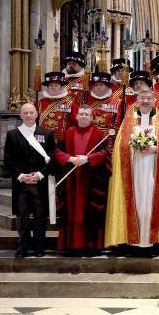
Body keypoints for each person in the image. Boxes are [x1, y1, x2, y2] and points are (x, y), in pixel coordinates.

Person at [105, 86, 159, 253]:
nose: (145, 101)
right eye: (142, 98)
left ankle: (155, 242)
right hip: (134, 168)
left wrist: (156, 149)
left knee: (151, 201)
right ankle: (131, 241)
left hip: (154, 168)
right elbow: (120, 145)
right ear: (137, 100)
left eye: (148, 98)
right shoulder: (129, 119)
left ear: (154, 100)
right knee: (135, 201)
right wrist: (133, 147)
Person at [54, 105, 111, 253]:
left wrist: (88, 158)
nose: (84, 116)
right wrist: (70, 158)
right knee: (70, 210)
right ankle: (70, 245)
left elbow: (104, 154)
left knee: (90, 212)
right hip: (70, 181)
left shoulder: (98, 134)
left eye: (87, 114)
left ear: (92, 118)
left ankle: (90, 246)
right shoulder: (68, 133)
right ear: (76, 116)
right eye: (81, 114)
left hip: (91, 180)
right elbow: (58, 152)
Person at [4, 103, 56, 258]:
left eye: (31, 112)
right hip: (21, 183)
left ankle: (40, 247)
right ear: (20, 115)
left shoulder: (47, 134)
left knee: (40, 216)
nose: (28, 115)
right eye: (25, 113)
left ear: (37, 114)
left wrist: (40, 174)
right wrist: (21, 176)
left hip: (40, 182)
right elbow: (8, 160)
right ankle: (23, 247)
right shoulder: (13, 134)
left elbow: (53, 159)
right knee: (22, 217)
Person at [83, 72, 123, 152]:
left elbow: (119, 124)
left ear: (108, 86)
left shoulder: (117, 102)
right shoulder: (87, 101)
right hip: (89, 142)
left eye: (101, 85)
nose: (98, 87)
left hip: (109, 143)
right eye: (96, 85)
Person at [38, 71, 78, 143]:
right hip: (42, 140)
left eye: (56, 85)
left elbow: (75, 125)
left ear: (62, 87)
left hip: (62, 141)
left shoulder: (70, 104)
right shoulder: (40, 103)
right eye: (51, 85)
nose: (53, 88)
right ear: (47, 87)